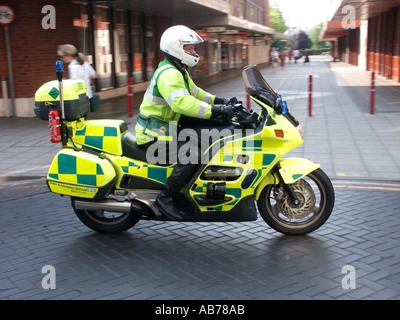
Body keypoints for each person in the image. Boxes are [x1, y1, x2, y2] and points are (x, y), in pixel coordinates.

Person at [135, 25, 235, 221]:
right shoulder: (169, 74)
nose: (194, 52)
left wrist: (221, 101)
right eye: (189, 48)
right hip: (153, 134)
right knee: (193, 154)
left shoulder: (178, 70)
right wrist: (216, 111)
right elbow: (182, 103)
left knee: (204, 139)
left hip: (165, 129)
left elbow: (197, 93)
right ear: (176, 48)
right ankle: (166, 198)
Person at [57, 44, 98, 110]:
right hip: (88, 96)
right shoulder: (84, 63)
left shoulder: (73, 66)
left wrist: (65, 81)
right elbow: (94, 75)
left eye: (62, 56)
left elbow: (74, 83)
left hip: (78, 98)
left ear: (68, 55)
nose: (62, 58)